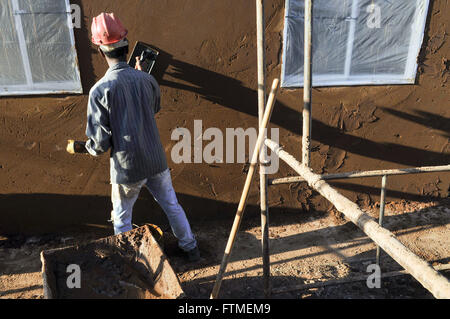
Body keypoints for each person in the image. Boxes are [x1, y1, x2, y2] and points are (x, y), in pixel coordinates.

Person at [67, 12, 200, 262]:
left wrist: (84, 147)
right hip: (155, 159)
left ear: (100, 51)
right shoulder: (148, 80)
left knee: (121, 218)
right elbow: (152, 110)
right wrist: (140, 78)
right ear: (127, 47)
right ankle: (191, 248)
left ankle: (130, 263)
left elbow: (99, 145)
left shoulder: (100, 91)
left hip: (128, 167)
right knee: (172, 206)